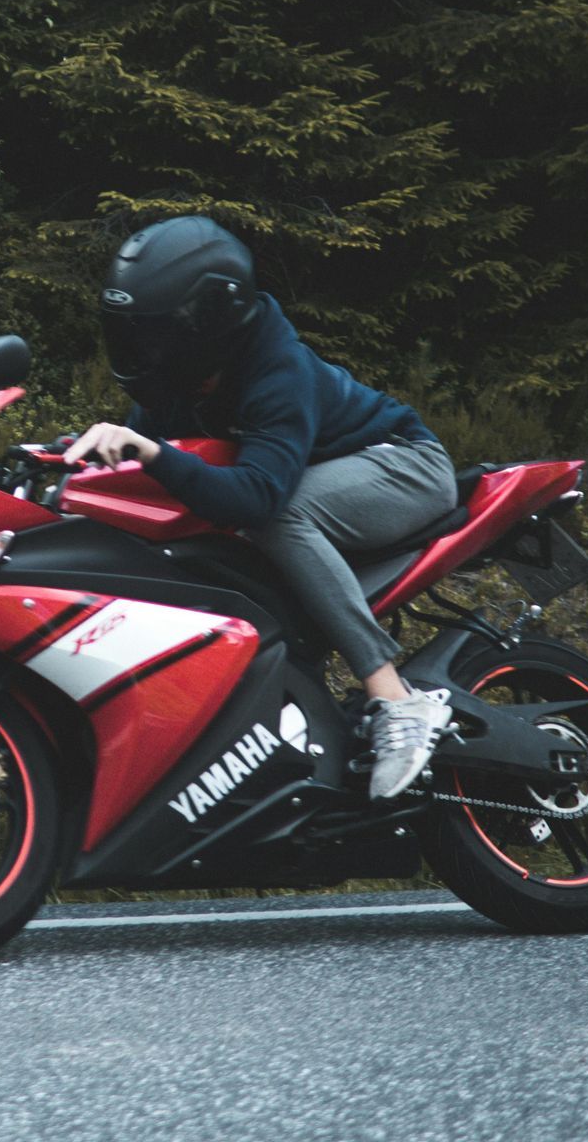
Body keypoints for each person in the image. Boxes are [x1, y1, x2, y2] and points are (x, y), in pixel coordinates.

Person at [63, 215, 459, 799]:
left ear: (205, 323)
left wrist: (151, 452)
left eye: (154, 333)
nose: (140, 348)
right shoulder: (171, 384)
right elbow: (148, 476)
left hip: (405, 465)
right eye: (131, 332)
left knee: (277, 517)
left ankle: (395, 699)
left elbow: (255, 498)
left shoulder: (277, 368)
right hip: (323, 480)